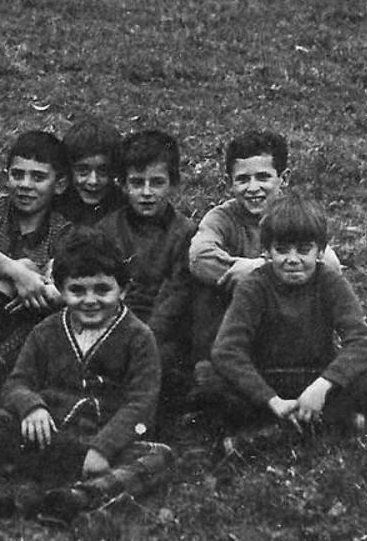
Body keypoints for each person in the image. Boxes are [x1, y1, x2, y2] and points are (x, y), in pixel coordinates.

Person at [0, 231, 173, 526]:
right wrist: (32, 406)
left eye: (102, 289)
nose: (90, 300)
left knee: (159, 456)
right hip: (46, 437)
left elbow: (141, 404)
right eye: (77, 290)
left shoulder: (138, 337)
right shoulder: (46, 331)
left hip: (99, 443)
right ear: (60, 289)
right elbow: (16, 382)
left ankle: (79, 498)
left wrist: (103, 448)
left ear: (123, 290)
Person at [149, 130, 338, 413]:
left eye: (263, 177)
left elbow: (331, 264)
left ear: (283, 179)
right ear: (229, 183)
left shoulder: (295, 218)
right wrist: (247, 273)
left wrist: (259, 269)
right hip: (238, 337)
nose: (253, 188)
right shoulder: (223, 218)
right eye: (243, 179)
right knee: (199, 282)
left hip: (288, 337)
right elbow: (200, 257)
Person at [201, 195, 367, 443]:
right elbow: (226, 350)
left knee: (366, 381)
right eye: (281, 250)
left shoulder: (330, 282)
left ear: (321, 251)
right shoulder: (253, 286)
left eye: (304, 250)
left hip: (314, 376)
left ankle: (270, 432)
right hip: (265, 378)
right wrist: (271, 399)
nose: (292, 259)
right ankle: (321, 424)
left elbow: (361, 342)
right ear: (267, 251)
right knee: (208, 378)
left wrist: (322, 386)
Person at [0, 131, 73, 382]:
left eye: (38, 177)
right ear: (6, 175)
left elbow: (58, 282)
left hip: (24, 330)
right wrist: (18, 273)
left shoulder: (63, 230)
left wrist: (31, 285)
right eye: (17, 174)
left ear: (60, 185)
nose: (25, 185)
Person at [94, 130, 197, 324]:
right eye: (137, 183)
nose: (146, 192)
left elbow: (177, 298)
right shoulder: (106, 230)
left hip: (164, 330)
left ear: (172, 183)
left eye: (157, 183)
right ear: (123, 185)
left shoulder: (185, 233)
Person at [54, 115, 126, 228]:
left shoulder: (124, 209)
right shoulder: (54, 207)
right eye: (82, 171)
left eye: (103, 171)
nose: (93, 181)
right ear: (68, 169)